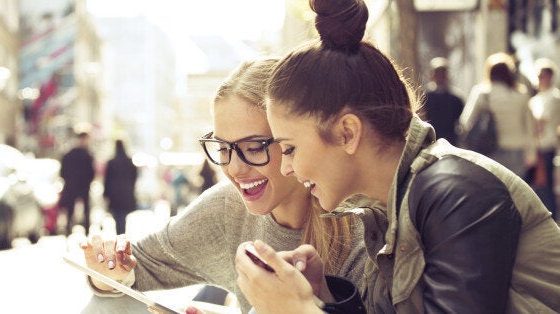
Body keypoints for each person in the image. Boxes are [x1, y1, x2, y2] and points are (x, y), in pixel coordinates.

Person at [235, 0, 560, 313]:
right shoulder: (389, 208)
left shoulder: (455, 191)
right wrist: (321, 294)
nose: (286, 167)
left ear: (347, 133)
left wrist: (297, 309)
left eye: (289, 148)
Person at [78, 58, 366, 314]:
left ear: (293, 140)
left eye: (254, 147)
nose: (234, 168)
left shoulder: (362, 224)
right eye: (223, 148)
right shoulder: (227, 208)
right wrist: (107, 270)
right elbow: (139, 266)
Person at [459, 52, 537, 179]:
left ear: (489, 72)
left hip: (489, 150)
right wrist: (531, 156)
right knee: (515, 192)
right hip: (517, 151)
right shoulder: (521, 95)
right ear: (509, 73)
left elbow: (466, 122)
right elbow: (529, 128)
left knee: (494, 192)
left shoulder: (482, 93)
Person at [528, 58, 560, 221]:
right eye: (539, 76)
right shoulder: (536, 99)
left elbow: (541, 121)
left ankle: (551, 220)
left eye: (544, 76)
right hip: (534, 146)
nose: (541, 79)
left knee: (546, 186)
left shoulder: (554, 97)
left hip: (546, 145)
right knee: (538, 186)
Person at [59, 130, 95, 236]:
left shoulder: (68, 154)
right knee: (83, 209)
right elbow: (91, 172)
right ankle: (84, 231)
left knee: (72, 209)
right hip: (81, 186)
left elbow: (63, 172)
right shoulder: (87, 154)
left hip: (72, 185)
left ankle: (69, 229)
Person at [421, 57, 464, 145]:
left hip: (451, 141)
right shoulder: (425, 97)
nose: (440, 77)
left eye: (442, 73)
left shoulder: (456, 99)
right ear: (431, 75)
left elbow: (461, 122)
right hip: (431, 141)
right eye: (437, 73)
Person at [103, 139, 138, 235]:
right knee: (123, 216)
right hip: (127, 193)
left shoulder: (111, 162)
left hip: (115, 194)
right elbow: (134, 177)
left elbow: (107, 179)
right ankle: (122, 235)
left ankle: (120, 236)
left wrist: (105, 194)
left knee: (118, 216)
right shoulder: (129, 161)